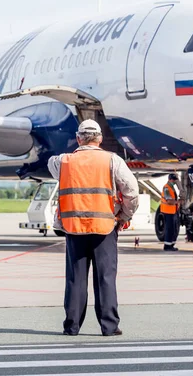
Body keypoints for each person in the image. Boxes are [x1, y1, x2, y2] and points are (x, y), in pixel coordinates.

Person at [47, 119, 139, 337]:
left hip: (74, 228)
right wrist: (123, 216)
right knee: (105, 278)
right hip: (105, 228)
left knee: (75, 280)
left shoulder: (63, 162)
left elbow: (51, 164)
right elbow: (132, 192)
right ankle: (109, 326)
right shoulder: (112, 161)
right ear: (99, 139)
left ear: (78, 139)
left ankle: (72, 327)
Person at [161, 173, 180, 251]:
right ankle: (167, 246)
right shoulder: (166, 188)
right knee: (169, 229)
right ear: (170, 179)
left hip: (173, 211)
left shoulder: (171, 187)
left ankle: (171, 245)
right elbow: (168, 200)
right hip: (168, 212)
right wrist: (178, 202)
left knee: (174, 229)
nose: (175, 182)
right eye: (174, 180)